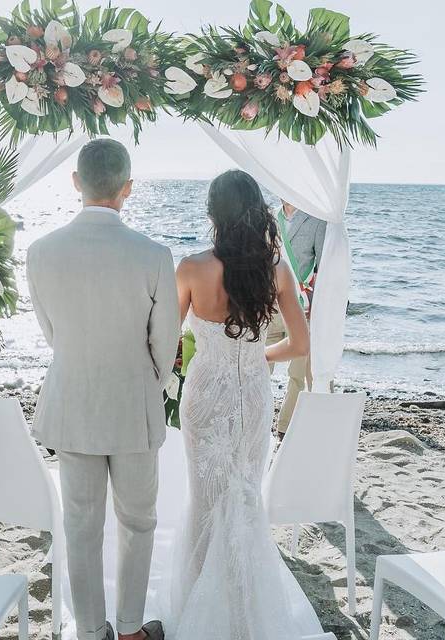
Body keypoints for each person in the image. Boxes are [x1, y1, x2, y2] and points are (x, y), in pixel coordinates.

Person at [26, 139, 178, 640]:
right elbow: (165, 343)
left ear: (75, 184)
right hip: (133, 407)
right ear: (128, 189)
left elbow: (52, 335)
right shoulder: (154, 255)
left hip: (72, 402)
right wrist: (143, 380)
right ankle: (132, 628)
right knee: (138, 523)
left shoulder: (41, 252)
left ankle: (92, 631)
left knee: (81, 527)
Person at [167, 170, 322, 638]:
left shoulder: (191, 268)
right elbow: (299, 344)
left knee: (206, 501)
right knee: (245, 498)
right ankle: (245, 612)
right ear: (258, 212)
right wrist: (258, 356)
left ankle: (202, 609)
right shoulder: (276, 271)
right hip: (253, 396)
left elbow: (166, 341)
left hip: (205, 396)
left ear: (213, 213)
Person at [266, 199, 326, 437]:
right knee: (260, 368)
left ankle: (285, 429)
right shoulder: (270, 217)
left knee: (297, 375)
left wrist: (316, 299)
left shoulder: (317, 220)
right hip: (268, 306)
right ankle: (259, 424)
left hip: (300, 307)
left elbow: (322, 266)